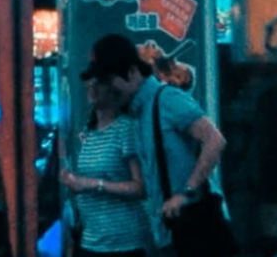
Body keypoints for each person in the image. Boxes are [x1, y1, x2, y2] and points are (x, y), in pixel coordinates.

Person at [83, 34, 228, 255]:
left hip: (195, 229)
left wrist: (186, 192)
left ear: (132, 72)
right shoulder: (138, 113)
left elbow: (214, 140)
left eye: (111, 80)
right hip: (169, 234)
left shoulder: (167, 99)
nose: (109, 89)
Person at [62, 75, 152, 257]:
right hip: (91, 238)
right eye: (91, 82)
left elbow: (140, 187)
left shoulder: (125, 129)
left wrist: (94, 184)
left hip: (122, 242)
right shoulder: (89, 132)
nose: (92, 86)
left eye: (100, 82)